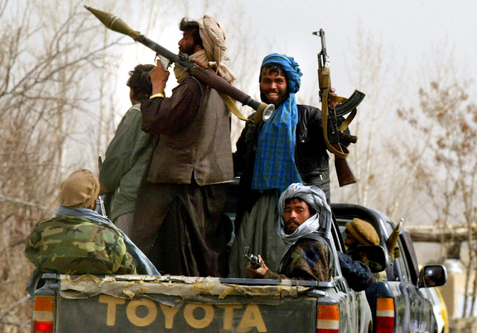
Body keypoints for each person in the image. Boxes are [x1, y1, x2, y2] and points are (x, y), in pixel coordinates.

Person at [130, 16, 235, 277]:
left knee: (179, 266)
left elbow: (155, 120)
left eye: (186, 38)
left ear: (200, 45)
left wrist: (156, 85)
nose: (179, 42)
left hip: (182, 191)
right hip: (201, 188)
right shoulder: (218, 83)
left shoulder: (194, 85)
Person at [229, 53, 346, 278]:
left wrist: (332, 115)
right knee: (244, 270)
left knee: (290, 274)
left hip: (294, 212)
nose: (272, 86)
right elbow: (238, 163)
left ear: (289, 84)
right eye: (267, 81)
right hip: (256, 208)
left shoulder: (309, 117)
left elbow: (337, 142)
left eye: (278, 81)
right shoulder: (255, 122)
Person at [24, 169, 159, 276]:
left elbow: (31, 254)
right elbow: (127, 270)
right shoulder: (110, 237)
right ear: (93, 203)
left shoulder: (41, 233)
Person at [248, 184, 372, 291]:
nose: (292, 215)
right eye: (288, 210)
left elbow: (308, 288)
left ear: (312, 215)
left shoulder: (311, 245)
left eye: (299, 210)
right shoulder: (300, 243)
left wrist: (267, 275)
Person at [99, 64, 157, 234]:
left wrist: (101, 184)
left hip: (129, 202)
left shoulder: (137, 113)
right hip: (150, 202)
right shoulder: (161, 113)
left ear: (132, 91)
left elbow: (118, 158)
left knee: (124, 257)